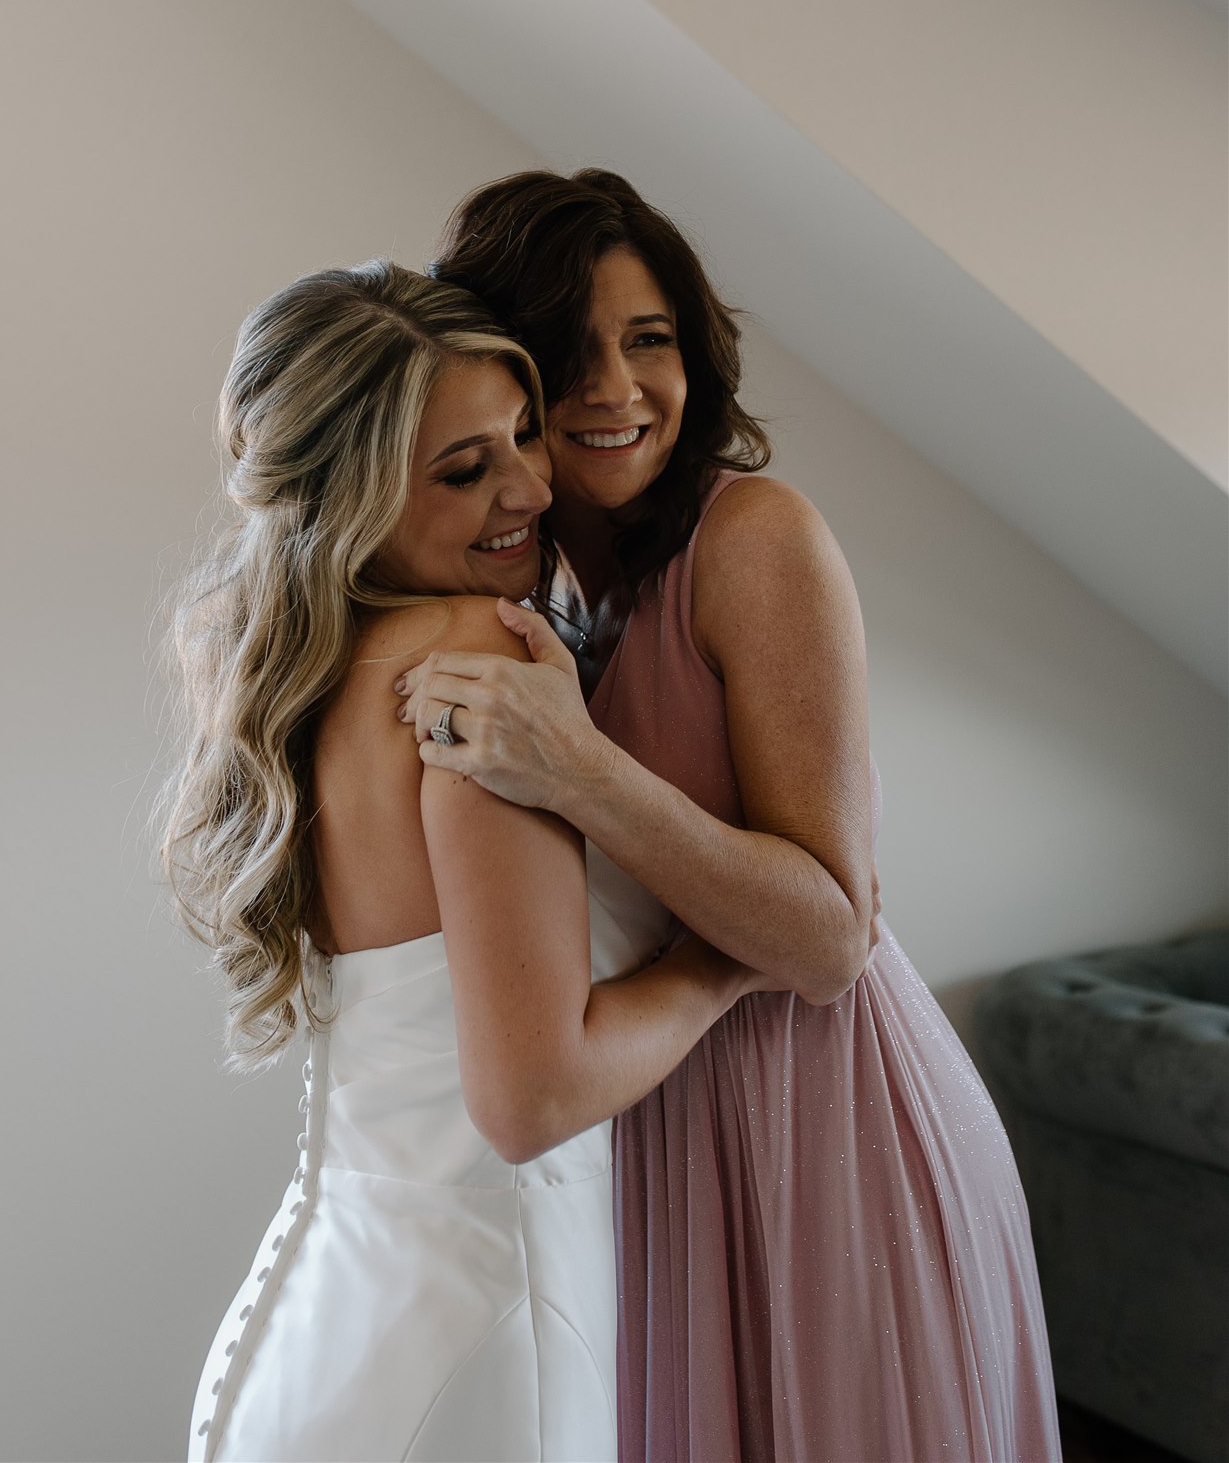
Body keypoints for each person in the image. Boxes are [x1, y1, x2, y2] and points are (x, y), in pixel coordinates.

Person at [398, 170, 1062, 1463]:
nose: (613, 388)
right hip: (648, 1125)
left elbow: (826, 939)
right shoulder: (522, 579)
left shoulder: (754, 539)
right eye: (567, 351)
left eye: (649, 341)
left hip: (828, 1125)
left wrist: (580, 768)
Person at [162, 261, 766, 1463]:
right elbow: (529, 1096)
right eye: (465, 467)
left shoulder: (310, 662)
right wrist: (724, 965)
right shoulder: (472, 664)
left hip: (324, 1322)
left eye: (521, 434)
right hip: (482, 1336)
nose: (533, 485)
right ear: (350, 499)